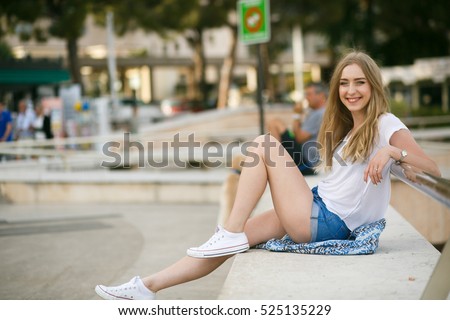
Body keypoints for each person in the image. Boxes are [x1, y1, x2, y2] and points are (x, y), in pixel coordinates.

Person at [95, 50, 441, 300]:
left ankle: (227, 231)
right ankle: (147, 286)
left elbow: (431, 169)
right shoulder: (351, 127)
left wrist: (394, 151)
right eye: (345, 83)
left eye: (360, 83)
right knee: (235, 239)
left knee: (263, 144)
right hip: (318, 205)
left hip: (329, 222)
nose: (351, 90)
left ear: (373, 86)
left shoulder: (385, 123)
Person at [267, 82, 328, 174]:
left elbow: (299, 138)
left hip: (307, 162)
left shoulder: (320, 113)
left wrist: (296, 115)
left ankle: (275, 165)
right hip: (303, 155)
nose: (306, 98)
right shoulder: (315, 111)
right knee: (275, 123)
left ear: (321, 95)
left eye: (309, 94)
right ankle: (275, 162)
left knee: (275, 123)